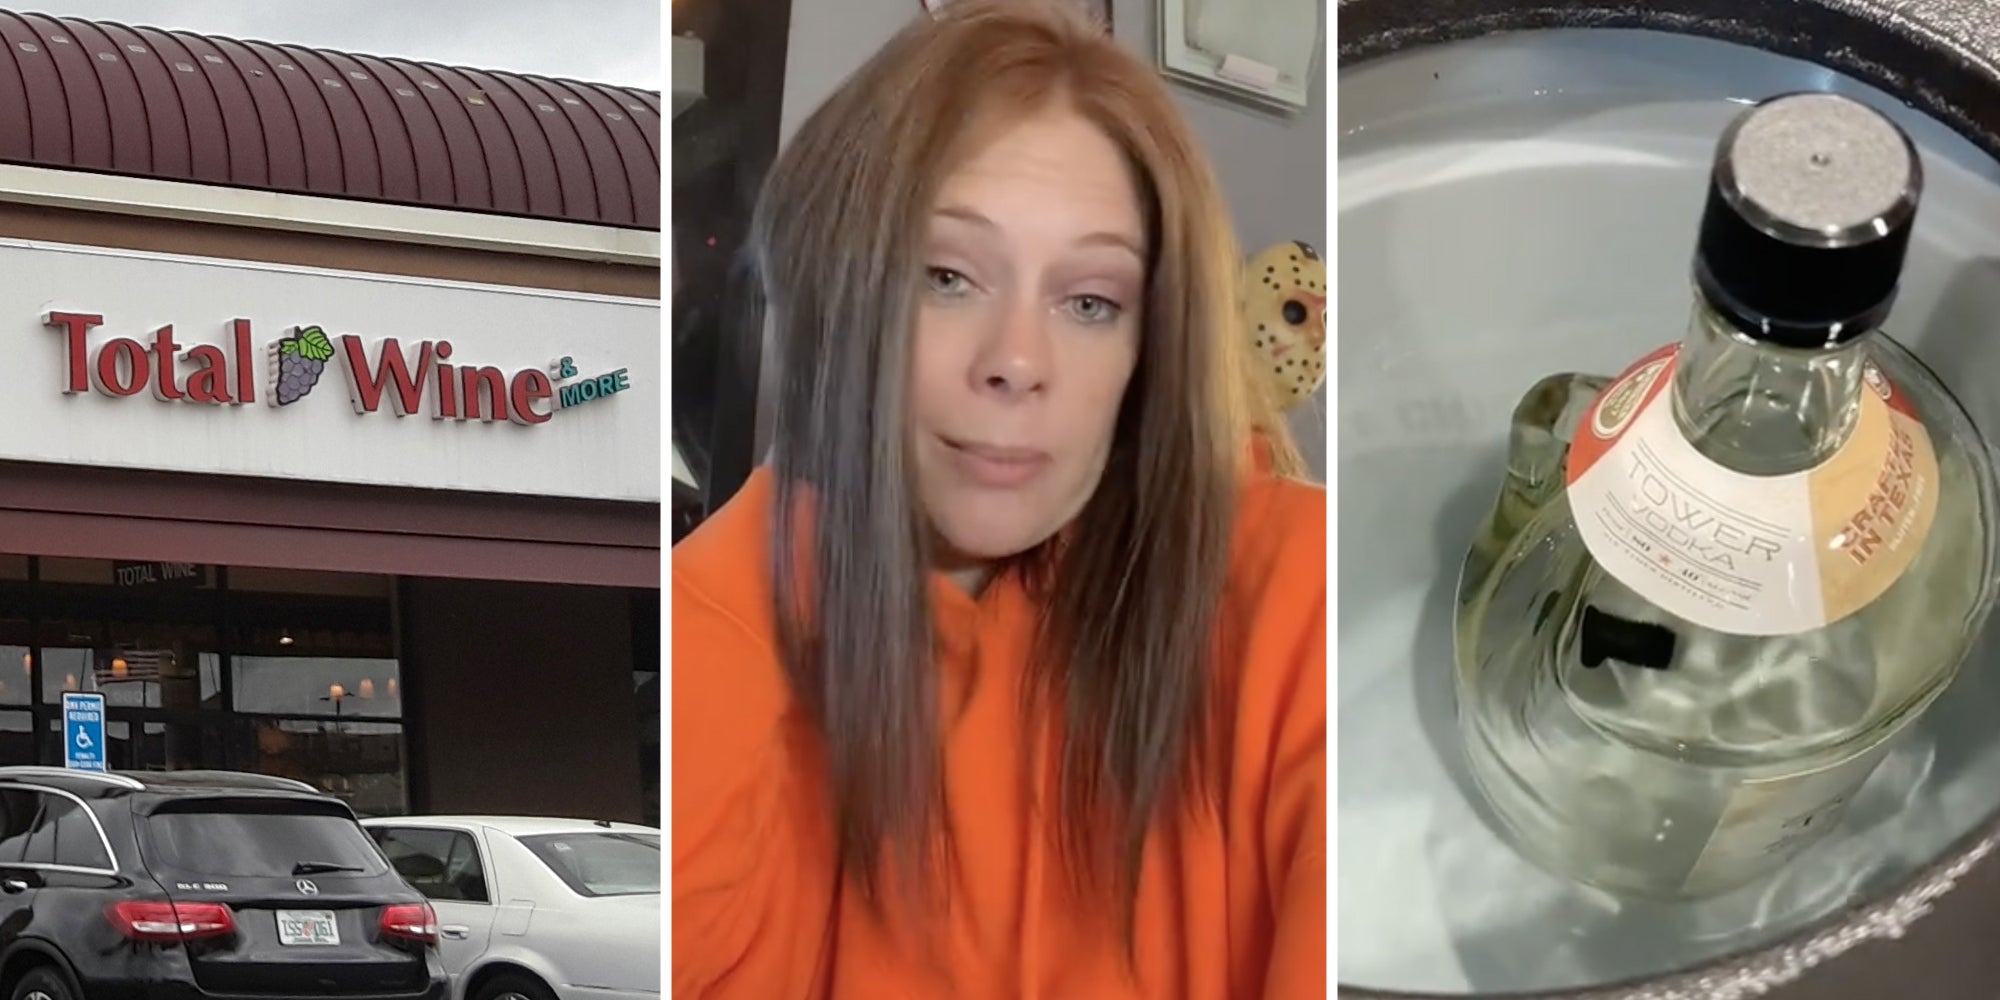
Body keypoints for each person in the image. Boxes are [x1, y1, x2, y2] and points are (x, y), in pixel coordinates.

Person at [671, 1, 1326, 996]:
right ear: (834, 296)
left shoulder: (1300, 601)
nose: (1016, 361)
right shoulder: (714, 633)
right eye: (945, 276)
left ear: (1145, 350)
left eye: (1089, 301)